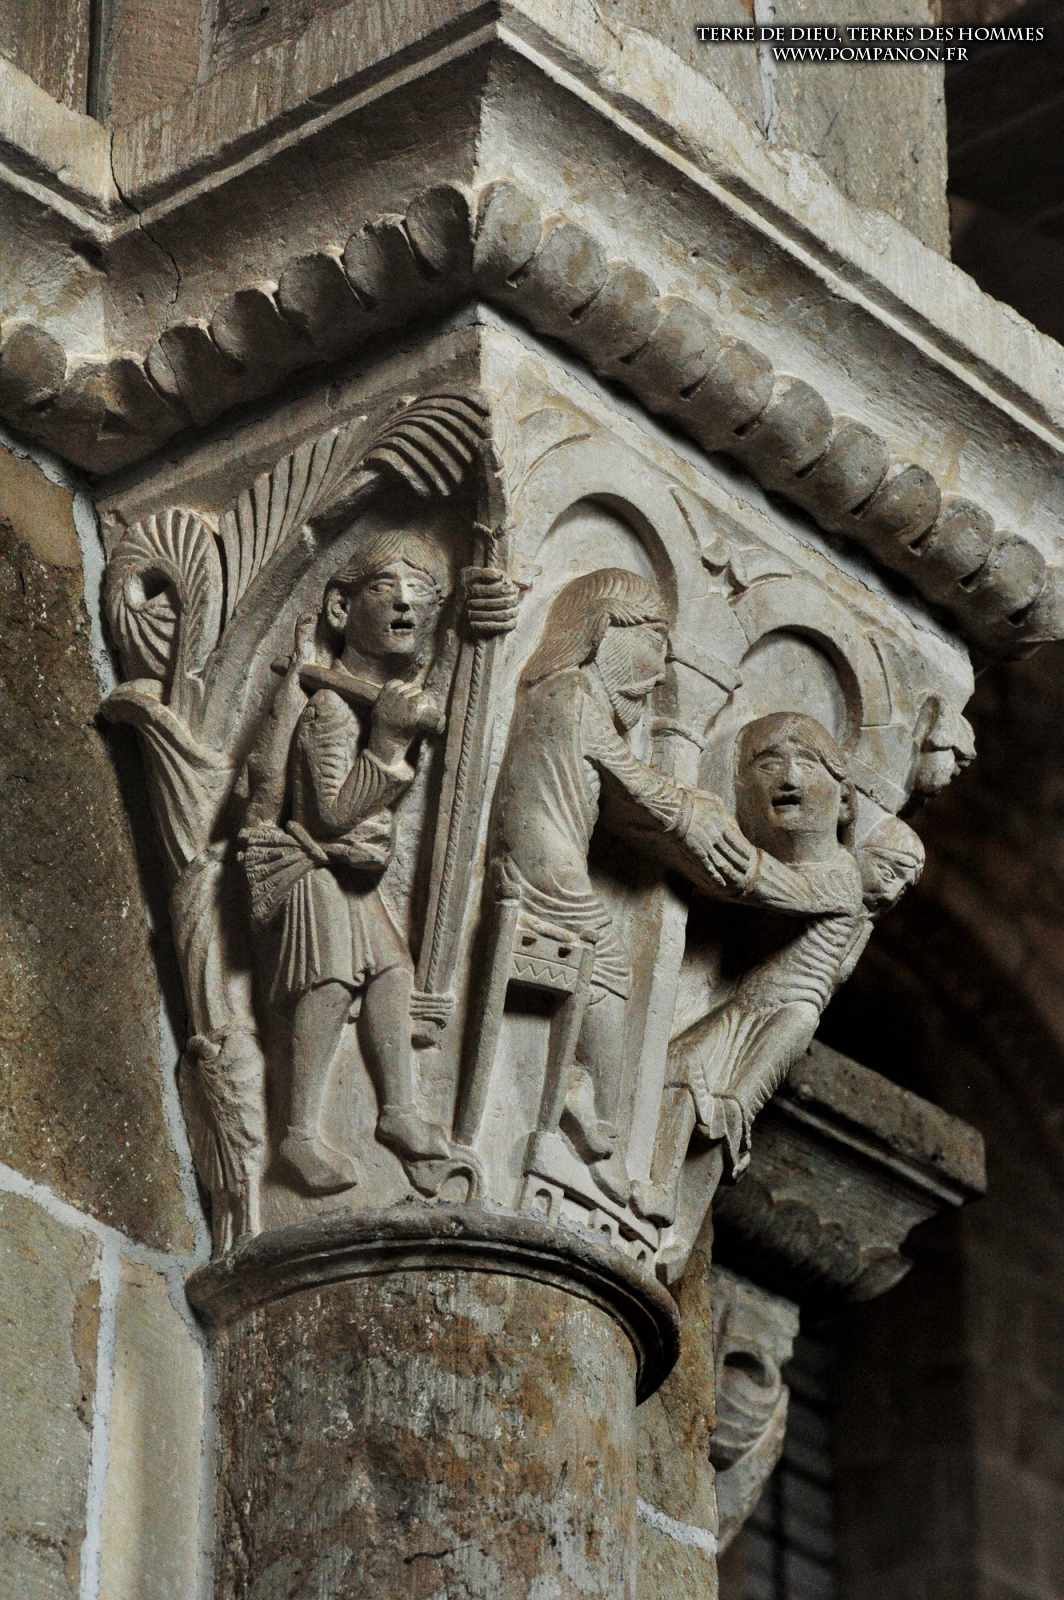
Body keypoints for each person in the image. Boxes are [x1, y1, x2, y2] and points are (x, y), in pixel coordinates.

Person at [242, 528, 516, 1192]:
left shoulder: (386, 693)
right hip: (313, 870)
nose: (405, 603)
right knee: (330, 981)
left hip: (353, 877)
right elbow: (332, 814)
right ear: (341, 607)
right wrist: (388, 746)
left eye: (421, 593)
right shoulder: (331, 709)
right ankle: (298, 1136)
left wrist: (476, 620)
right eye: (385, 586)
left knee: (393, 972)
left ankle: (398, 1112)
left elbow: (444, 691)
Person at [490, 568, 764, 1205]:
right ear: (606, 628)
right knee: (610, 964)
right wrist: (690, 811)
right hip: (543, 867)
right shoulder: (573, 690)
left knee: (608, 962)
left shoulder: (565, 692)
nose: (661, 671)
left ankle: (588, 1104)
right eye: (654, 643)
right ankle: (597, 1123)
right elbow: (630, 782)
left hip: (543, 860)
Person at [638, 714, 924, 1228]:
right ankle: (656, 1194)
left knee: (729, 1104)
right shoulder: (844, 883)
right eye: (769, 763)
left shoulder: (841, 879)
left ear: (845, 801)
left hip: (788, 1014)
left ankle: (671, 1212)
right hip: (750, 1002)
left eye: (808, 763)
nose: (789, 778)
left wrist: (702, 840)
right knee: (679, 1068)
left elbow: (777, 889)